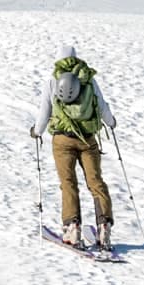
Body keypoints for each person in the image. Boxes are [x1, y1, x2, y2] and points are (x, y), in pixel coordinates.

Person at [28, 43, 117, 250]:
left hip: (62, 140)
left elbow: (44, 112)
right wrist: (111, 123)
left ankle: (72, 228)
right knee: (96, 182)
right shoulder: (88, 79)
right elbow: (102, 106)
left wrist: (36, 131)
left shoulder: (52, 80)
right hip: (88, 139)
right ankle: (104, 228)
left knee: (68, 183)